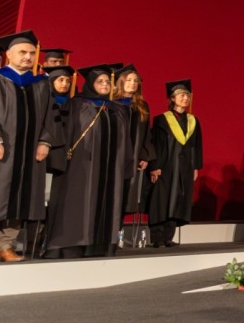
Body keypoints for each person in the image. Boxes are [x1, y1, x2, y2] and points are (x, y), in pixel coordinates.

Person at [44, 65, 128, 258]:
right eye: (100, 81)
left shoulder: (117, 109)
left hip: (110, 168)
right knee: (76, 203)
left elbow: (126, 142)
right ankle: (71, 245)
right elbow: (62, 132)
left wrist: (126, 164)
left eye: (108, 81)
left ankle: (100, 245)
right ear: (90, 84)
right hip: (80, 166)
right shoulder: (76, 104)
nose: (105, 84)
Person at [0, 30, 56, 262]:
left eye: (31, 53)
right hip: (1, 149)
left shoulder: (40, 83)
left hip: (29, 151)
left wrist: (44, 141)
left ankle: (5, 246)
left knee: (21, 197)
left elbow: (49, 116)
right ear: (9, 54)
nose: (28, 57)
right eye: (22, 52)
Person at [146, 79, 202, 248]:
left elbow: (197, 145)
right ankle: (157, 238)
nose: (185, 98)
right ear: (172, 98)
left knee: (177, 199)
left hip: (184, 168)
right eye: (181, 95)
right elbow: (154, 144)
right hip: (165, 166)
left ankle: (168, 237)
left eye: (187, 95)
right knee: (161, 200)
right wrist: (154, 166)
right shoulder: (161, 120)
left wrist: (195, 167)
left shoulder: (193, 121)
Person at [115, 64, 154, 231]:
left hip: (133, 156)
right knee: (113, 192)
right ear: (121, 82)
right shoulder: (112, 103)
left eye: (135, 80)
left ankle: (119, 230)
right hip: (115, 155)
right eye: (128, 80)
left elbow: (146, 133)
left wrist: (145, 155)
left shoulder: (142, 106)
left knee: (127, 193)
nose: (132, 83)